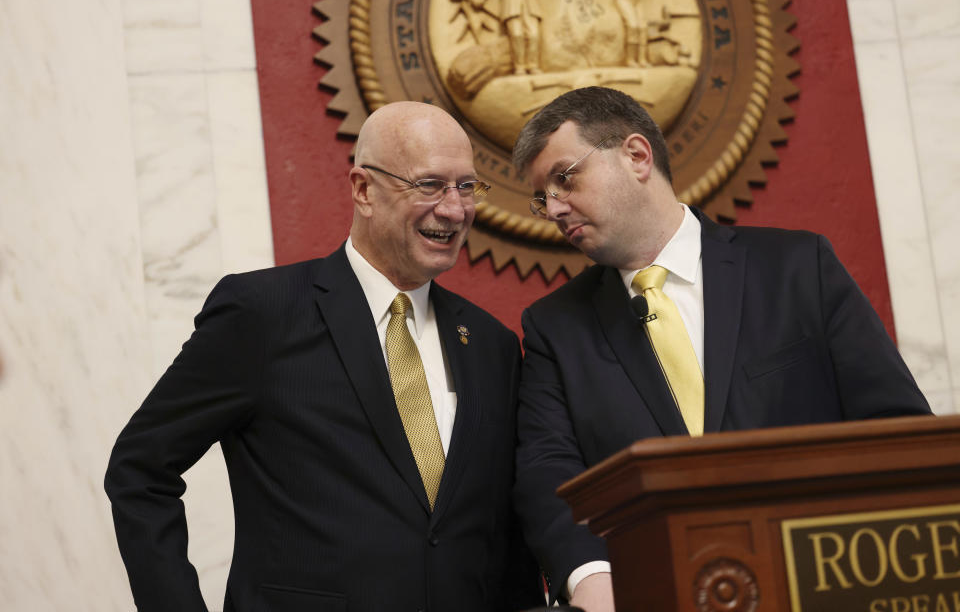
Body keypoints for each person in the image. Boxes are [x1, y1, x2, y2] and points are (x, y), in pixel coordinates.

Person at [105, 101, 542, 612]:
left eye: (466, 187)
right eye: (429, 185)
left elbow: (506, 533)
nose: (454, 209)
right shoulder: (262, 314)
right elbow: (140, 471)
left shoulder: (491, 343)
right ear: (363, 190)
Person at [509, 86, 931, 611]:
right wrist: (592, 577)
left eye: (565, 177)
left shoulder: (798, 268)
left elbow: (895, 431)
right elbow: (550, 471)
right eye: (541, 196)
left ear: (636, 156)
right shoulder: (555, 328)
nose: (552, 207)